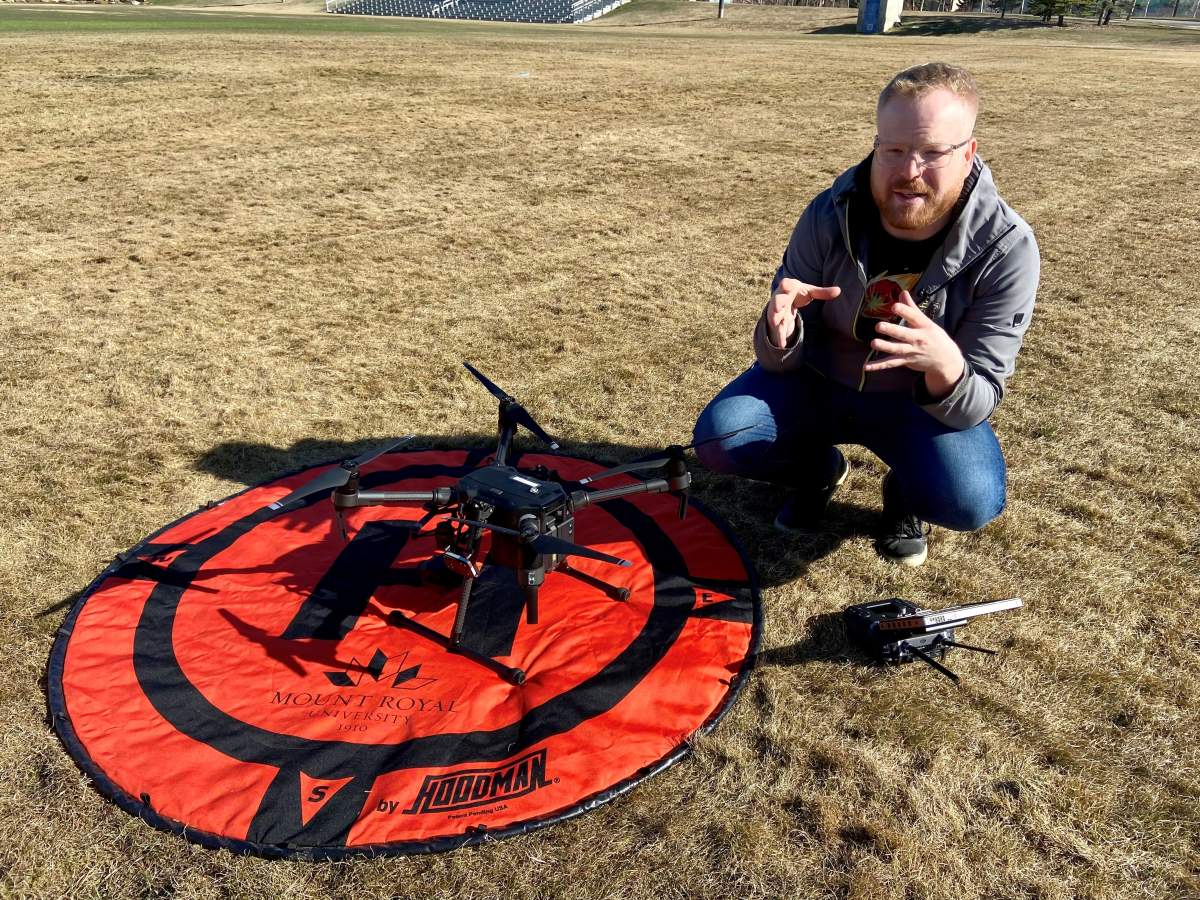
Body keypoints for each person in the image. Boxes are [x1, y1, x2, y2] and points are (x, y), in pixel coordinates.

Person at [693, 63, 1040, 567]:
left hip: (919, 407)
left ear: (968, 153)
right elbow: (778, 356)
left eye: (932, 152)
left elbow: (979, 396)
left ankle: (905, 492)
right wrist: (780, 333)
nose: (909, 171)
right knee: (721, 439)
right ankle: (817, 472)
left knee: (969, 499)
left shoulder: (1006, 248)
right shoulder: (831, 211)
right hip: (819, 382)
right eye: (893, 149)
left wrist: (945, 366)